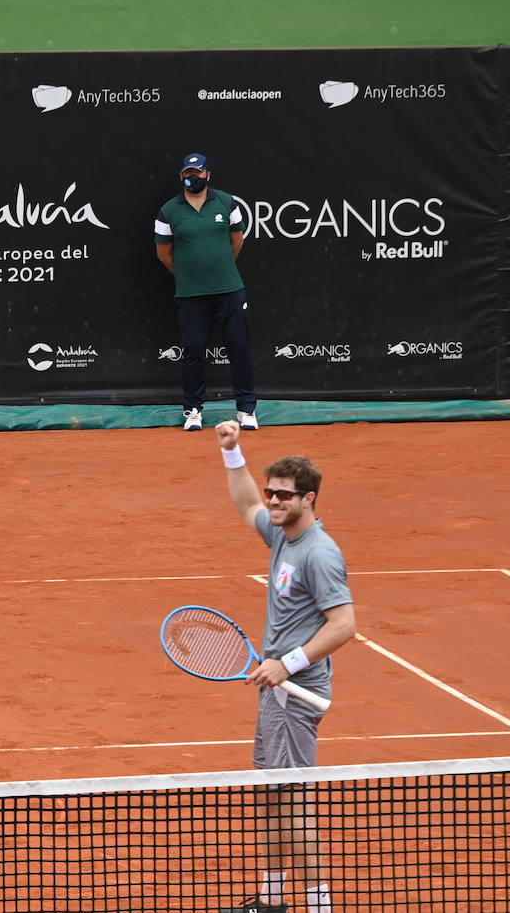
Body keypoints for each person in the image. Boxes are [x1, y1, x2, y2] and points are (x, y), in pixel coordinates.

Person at [214, 420, 357, 913]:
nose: (273, 501)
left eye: (284, 496)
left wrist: (286, 665)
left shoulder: (319, 553)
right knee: (270, 795)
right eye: (273, 492)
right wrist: (233, 452)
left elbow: (344, 625)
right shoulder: (281, 536)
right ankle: (272, 900)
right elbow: (245, 503)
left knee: (294, 802)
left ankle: (319, 906)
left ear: (309, 499)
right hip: (276, 688)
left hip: (296, 694)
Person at [155, 153, 257, 432]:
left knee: (239, 349)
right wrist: (190, 276)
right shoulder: (168, 211)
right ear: (181, 176)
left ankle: (246, 409)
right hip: (190, 295)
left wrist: (220, 269)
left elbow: (237, 240)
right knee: (193, 352)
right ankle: (193, 410)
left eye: (198, 173)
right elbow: (163, 253)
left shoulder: (227, 202)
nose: (193, 177)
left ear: (208, 175)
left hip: (230, 290)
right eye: (188, 173)